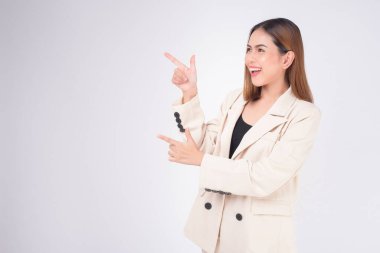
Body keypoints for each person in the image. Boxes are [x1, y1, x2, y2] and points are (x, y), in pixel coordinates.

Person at [157, 17, 322, 253]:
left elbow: (263, 178)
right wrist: (189, 93)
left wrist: (201, 161)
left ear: (287, 58)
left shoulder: (304, 115)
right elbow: (206, 146)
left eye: (260, 50)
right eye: (248, 49)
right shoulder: (236, 99)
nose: (250, 59)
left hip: (259, 242)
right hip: (215, 235)